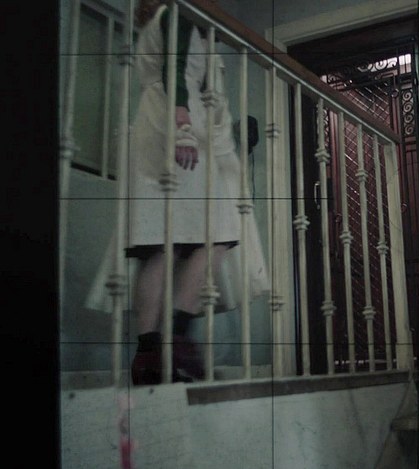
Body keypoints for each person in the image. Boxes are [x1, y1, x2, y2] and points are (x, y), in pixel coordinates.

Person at [124, 0, 260, 385]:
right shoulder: (179, 14)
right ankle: (178, 335)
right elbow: (177, 69)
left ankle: (149, 353)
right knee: (219, 234)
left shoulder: (162, 23)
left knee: (160, 241)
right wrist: (183, 129)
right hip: (176, 122)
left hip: (156, 121)